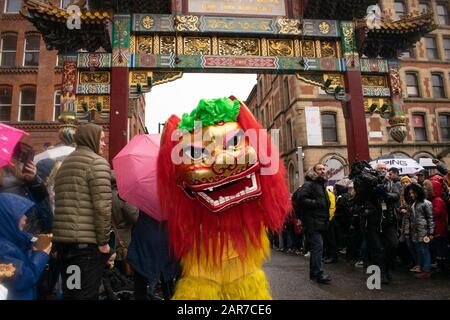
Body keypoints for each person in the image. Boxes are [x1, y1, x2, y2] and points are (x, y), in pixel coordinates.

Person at [53, 123, 113, 300]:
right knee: (84, 295)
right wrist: (104, 243)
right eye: (101, 139)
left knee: (71, 292)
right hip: (85, 248)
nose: (104, 144)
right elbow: (102, 208)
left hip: (64, 245)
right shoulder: (97, 163)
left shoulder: (65, 165)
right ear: (91, 139)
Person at [0, 193, 52, 300]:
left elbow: (27, 238)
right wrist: (41, 256)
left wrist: (40, 240)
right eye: (21, 216)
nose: (25, 220)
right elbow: (22, 279)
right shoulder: (3, 249)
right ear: (8, 218)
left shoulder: (12, 236)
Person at [127, 212, 180, 300]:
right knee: (167, 280)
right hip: (163, 242)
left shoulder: (145, 202)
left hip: (143, 241)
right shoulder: (171, 205)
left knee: (140, 281)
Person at [296, 164, 331, 283]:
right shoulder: (309, 184)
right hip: (312, 222)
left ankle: (314, 273)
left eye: (323, 169)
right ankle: (319, 274)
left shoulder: (321, 185)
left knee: (316, 248)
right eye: (319, 169)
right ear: (314, 171)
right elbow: (300, 199)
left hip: (320, 221)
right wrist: (315, 203)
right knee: (318, 248)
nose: (322, 171)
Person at [404, 183, 435, 279]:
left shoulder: (426, 203)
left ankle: (426, 270)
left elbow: (430, 219)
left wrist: (430, 233)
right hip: (416, 232)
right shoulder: (413, 204)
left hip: (423, 232)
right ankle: (423, 268)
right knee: (420, 251)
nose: (411, 195)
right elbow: (410, 219)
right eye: (410, 193)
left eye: (413, 193)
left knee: (424, 251)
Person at [111, 171, 139, 275]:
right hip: (123, 241)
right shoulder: (122, 196)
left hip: (109, 241)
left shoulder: (103, 196)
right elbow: (135, 217)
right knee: (124, 272)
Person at [424, 177, 448, 272]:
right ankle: (439, 264)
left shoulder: (437, 200)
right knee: (437, 248)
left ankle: (442, 266)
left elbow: (435, 214)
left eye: (427, 189)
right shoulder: (434, 200)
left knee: (440, 249)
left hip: (439, 230)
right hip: (436, 229)